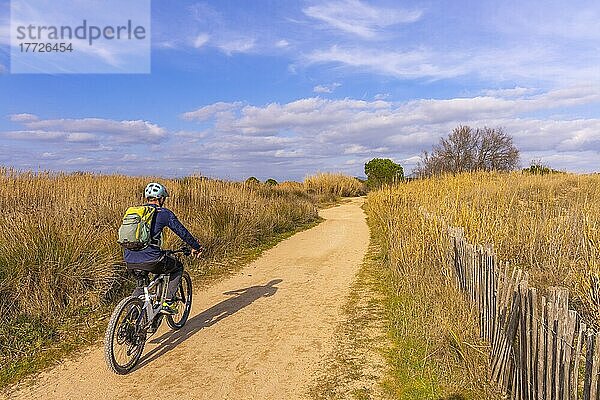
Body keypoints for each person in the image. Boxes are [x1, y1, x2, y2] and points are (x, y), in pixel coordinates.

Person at [125, 182, 202, 314]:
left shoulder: (134, 213)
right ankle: (168, 301)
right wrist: (196, 246)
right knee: (177, 267)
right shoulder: (163, 213)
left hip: (129, 259)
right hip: (152, 259)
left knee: (141, 284)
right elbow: (182, 232)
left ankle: (130, 315)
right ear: (161, 198)